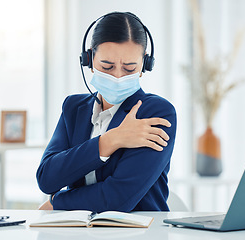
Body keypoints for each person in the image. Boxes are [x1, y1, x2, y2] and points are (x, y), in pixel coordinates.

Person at [36, 11, 177, 212]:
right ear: (90, 59)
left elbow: (118, 198)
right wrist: (110, 140)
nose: (118, 76)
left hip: (141, 232)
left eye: (129, 69)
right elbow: (47, 178)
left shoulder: (157, 112)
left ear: (144, 65)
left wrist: (57, 201)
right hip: (76, 230)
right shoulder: (73, 108)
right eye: (107, 66)